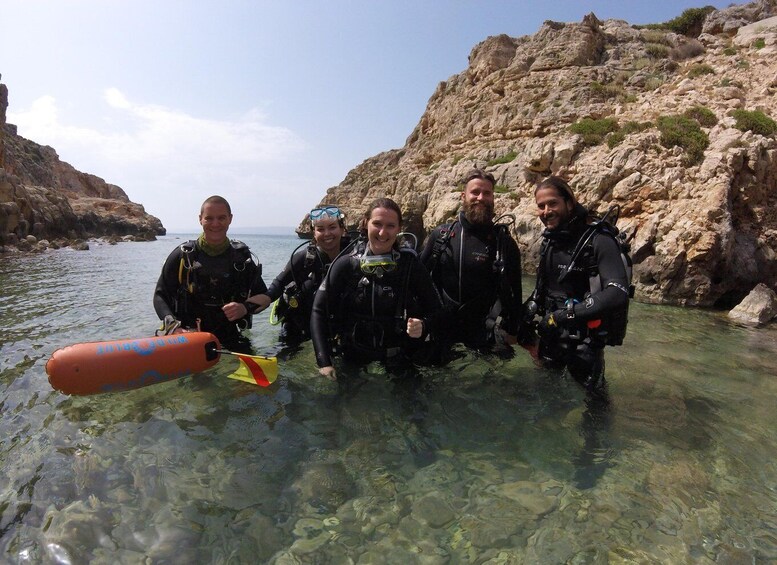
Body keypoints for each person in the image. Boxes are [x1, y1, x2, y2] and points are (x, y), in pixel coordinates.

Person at [310, 198, 443, 381]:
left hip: (398, 356)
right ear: (365, 223)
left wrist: (424, 325)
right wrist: (324, 362)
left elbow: (437, 309)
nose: (382, 232)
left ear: (398, 229)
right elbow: (318, 311)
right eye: (377, 224)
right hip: (352, 355)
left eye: (390, 226)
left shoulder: (409, 265)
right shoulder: (346, 263)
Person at [525, 176, 630, 393]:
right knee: (544, 402)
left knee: (594, 412)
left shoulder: (598, 239)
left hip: (585, 344)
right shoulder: (550, 242)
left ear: (570, 203)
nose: (546, 211)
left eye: (553, 203)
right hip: (551, 339)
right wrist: (525, 315)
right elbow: (542, 290)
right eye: (541, 206)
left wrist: (563, 316)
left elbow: (617, 292)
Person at [420, 168, 523, 352]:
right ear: (463, 196)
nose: (481, 197)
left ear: (493, 197)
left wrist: (514, 329)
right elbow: (418, 280)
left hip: (484, 330)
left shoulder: (504, 243)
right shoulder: (442, 236)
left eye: (487, 193)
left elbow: (515, 291)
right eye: (475, 192)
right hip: (443, 326)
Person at [153, 195, 267, 351]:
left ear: (230, 219)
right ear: (200, 219)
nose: (215, 224)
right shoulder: (183, 256)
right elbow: (160, 295)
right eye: (209, 218)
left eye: (221, 218)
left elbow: (265, 297)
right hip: (187, 335)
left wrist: (244, 308)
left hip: (230, 337)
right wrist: (173, 327)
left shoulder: (241, 258)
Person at [246, 205, 350, 346]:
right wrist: (264, 299)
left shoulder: (354, 257)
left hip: (338, 327)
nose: (327, 233)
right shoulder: (304, 259)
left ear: (342, 229)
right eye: (320, 229)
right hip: (300, 326)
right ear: (313, 233)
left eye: (332, 227)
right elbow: (278, 284)